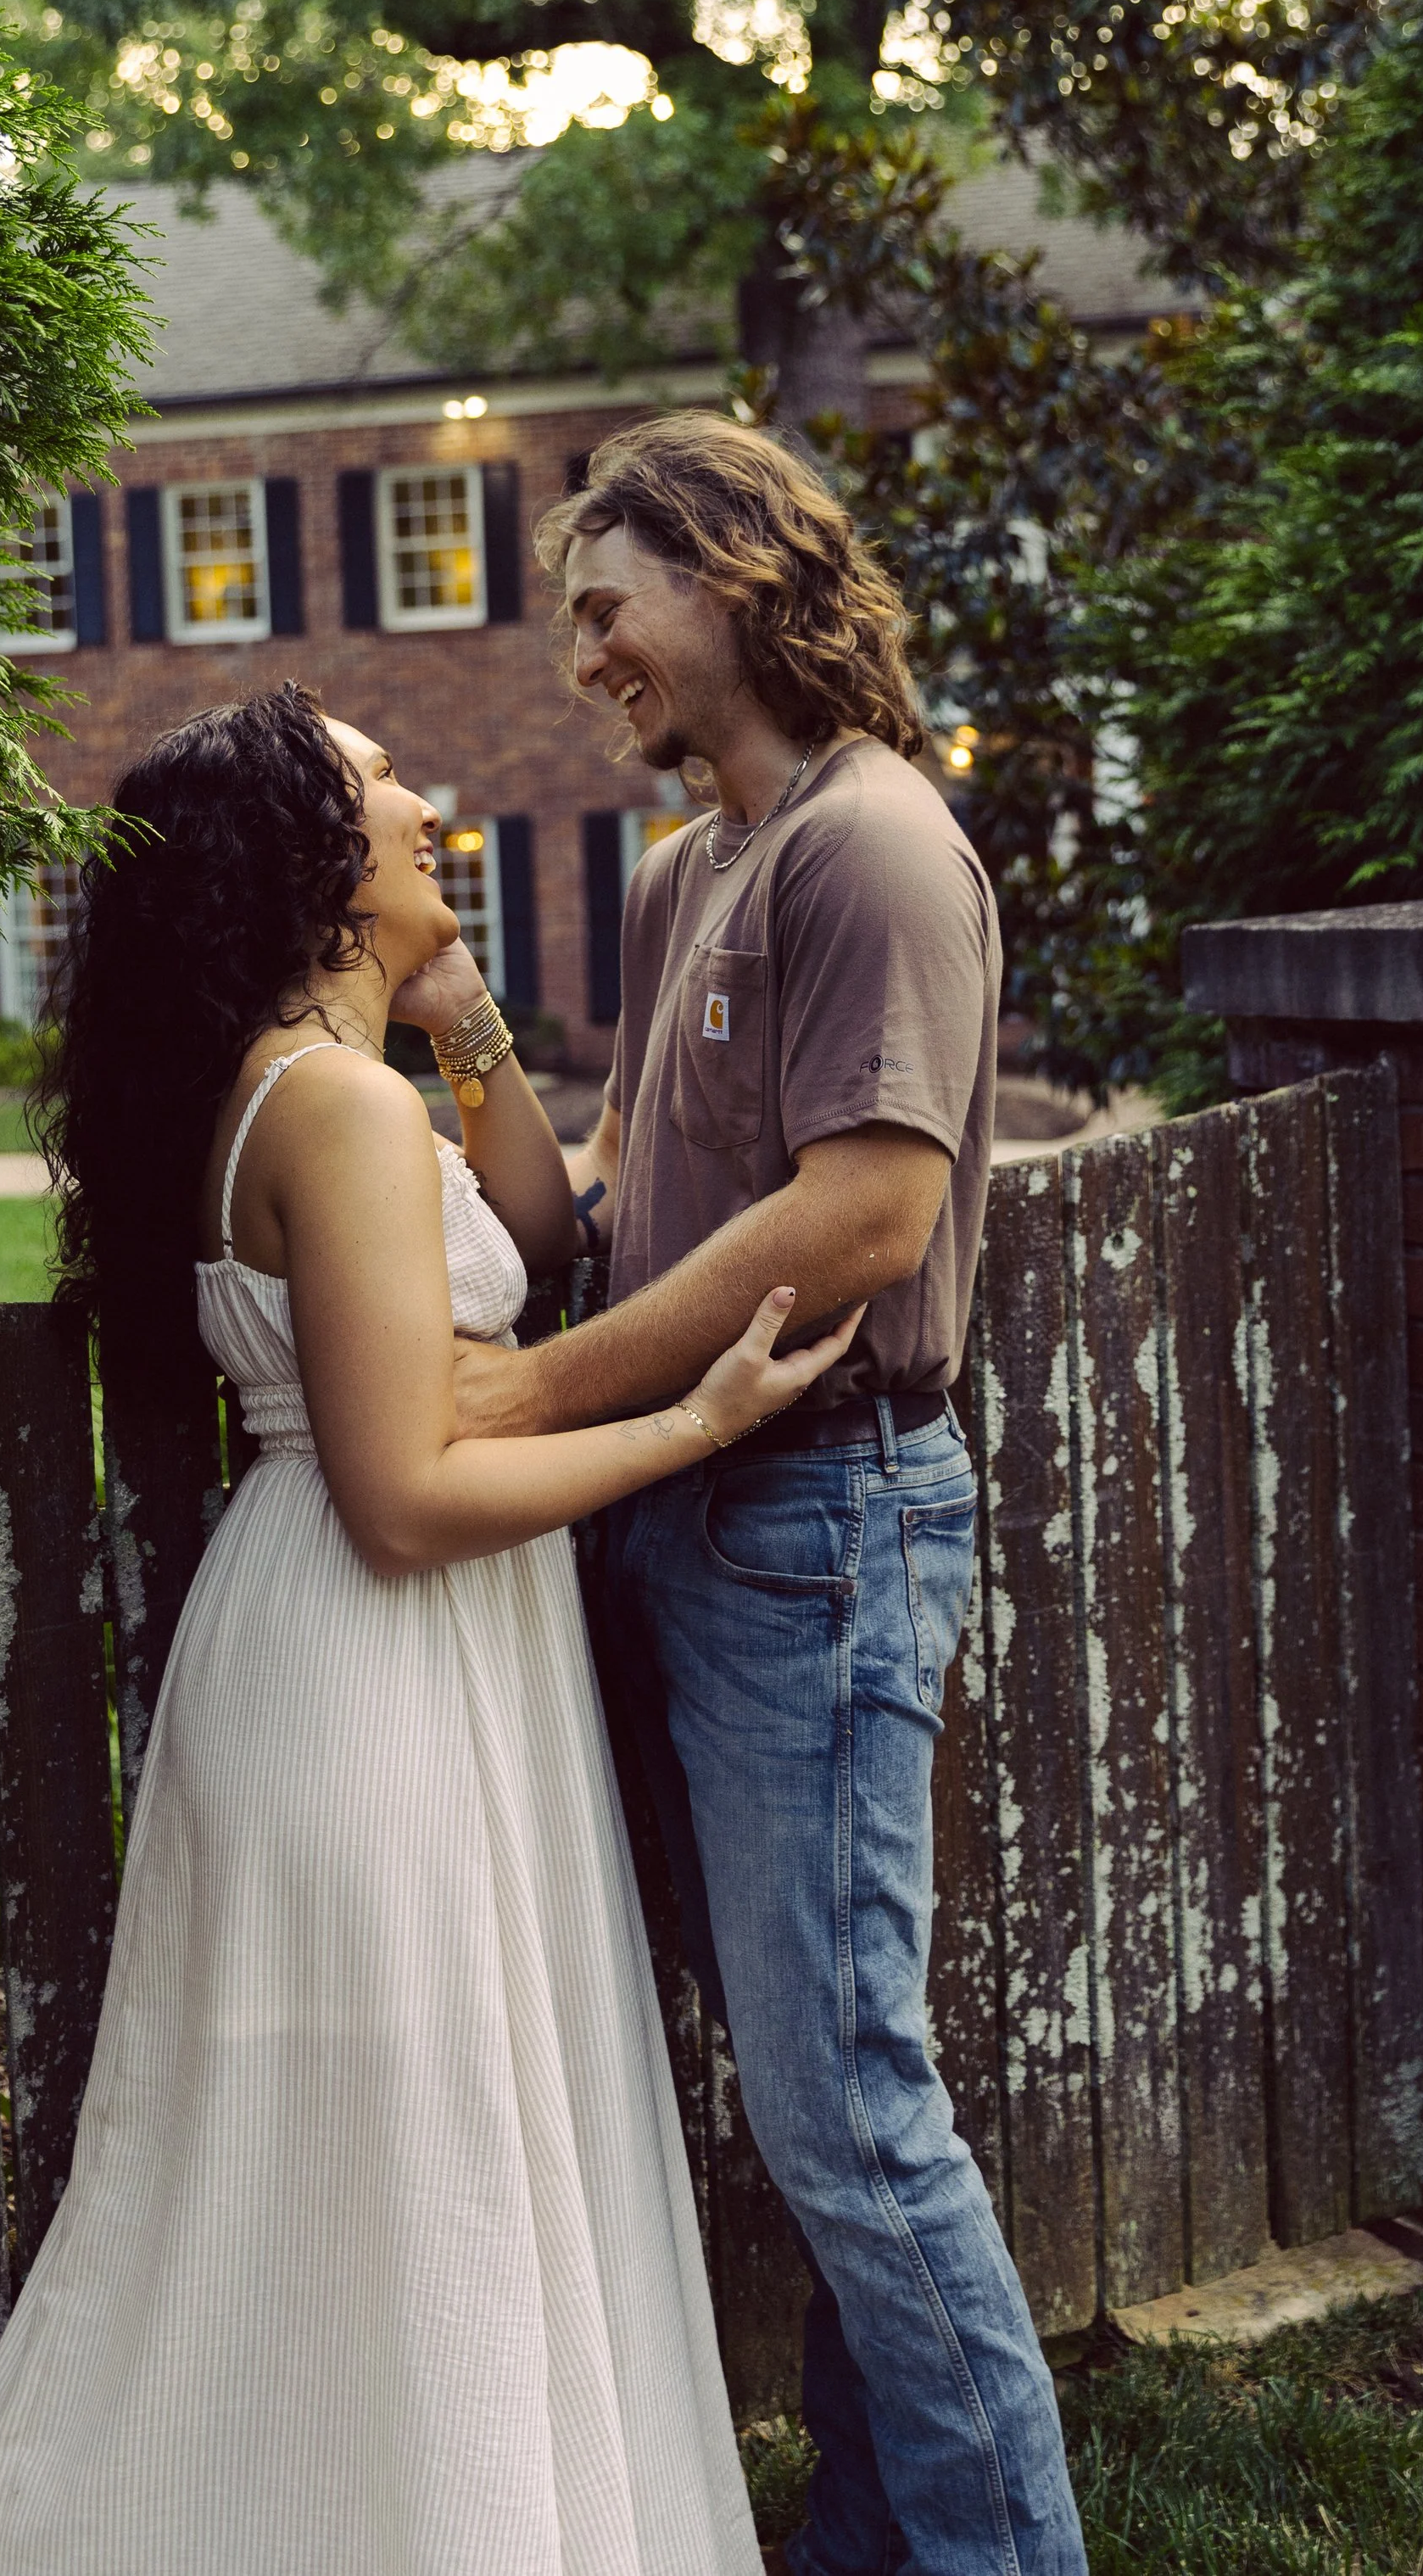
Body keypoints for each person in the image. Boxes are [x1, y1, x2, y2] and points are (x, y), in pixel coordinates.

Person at [0, 681, 862, 2576]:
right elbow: (405, 1491)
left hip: (405, 1670)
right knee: (403, 2176)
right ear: (311, 864)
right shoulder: (324, 1107)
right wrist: (692, 1422)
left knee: (426, 2160)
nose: (425, 794)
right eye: (375, 785)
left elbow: (545, 1231)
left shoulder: (335, 1075)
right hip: (369, 1672)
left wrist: (454, 1011)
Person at [449, 415, 1088, 2576]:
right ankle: (877, 2549)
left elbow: (864, 1220)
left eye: (605, 604)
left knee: (848, 2115)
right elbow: (624, 1228)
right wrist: (454, 1024)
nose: (584, 656)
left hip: (818, 1527)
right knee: (803, 2103)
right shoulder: (682, 873)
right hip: (676, 1520)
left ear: (727, 572)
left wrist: (521, 1399)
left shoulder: (870, 848)